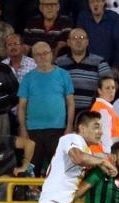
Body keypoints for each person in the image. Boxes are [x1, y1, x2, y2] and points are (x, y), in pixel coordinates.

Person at [17, 41, 75, 176]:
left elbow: (71, 103)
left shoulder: (63, 75)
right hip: (33, 130)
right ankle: (31, 189)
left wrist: (69, 127)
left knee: (57, 169)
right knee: (31, 169)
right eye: (38, 54)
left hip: (58, 129)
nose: (42, 57)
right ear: (33, 57)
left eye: (45, 53)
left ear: (51, 54)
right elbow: (21, 107)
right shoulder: (28, 78)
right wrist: (23, 130)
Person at [55, 28, 113, 112]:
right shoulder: (59, 63)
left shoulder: (99, 62)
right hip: (64, 112)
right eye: (74, 38)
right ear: (68, 42)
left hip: (92, 113)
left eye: (82, 38)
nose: (78, 41)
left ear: (87, 42)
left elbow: (109, 87)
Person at [76, 0, 119, 80]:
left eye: (98, 1)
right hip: (88, 68)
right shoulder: (83, 17)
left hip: (111, 67)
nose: (95, 4)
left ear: (104, 2)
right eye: (92, 2)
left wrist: (116, 65)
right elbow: (79, 42)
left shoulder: (114, 17)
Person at [89, 76, 119, 154]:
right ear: (99, 91)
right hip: (103, 154)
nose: (111, 91)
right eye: (107, 88)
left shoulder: (102, 107)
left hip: (101, 153)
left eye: (113, 88)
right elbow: (105, 137)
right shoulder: (103, 110)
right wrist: (111, 154)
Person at [0, 55, 18, 135]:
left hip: (0, 117)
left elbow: (15, 94)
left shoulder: (4, 69)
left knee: (2, 142)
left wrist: (1, 105)